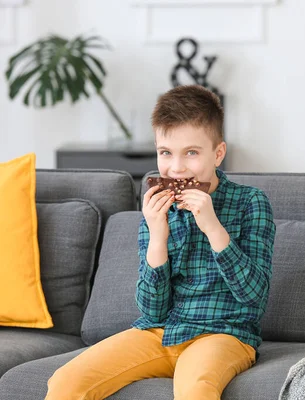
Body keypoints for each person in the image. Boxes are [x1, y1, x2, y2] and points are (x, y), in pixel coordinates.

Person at [45, 85, 276, 400]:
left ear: (218, 153)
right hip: (161, 332)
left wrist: (212, 227)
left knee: (195, 390)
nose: (176, 168)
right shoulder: (157, 208)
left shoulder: (251, 203)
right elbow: (152, 310)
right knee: (66, 381)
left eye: (191, 153)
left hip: (224, 336)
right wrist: (157, 235)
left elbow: (254, 296)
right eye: (166, 152)